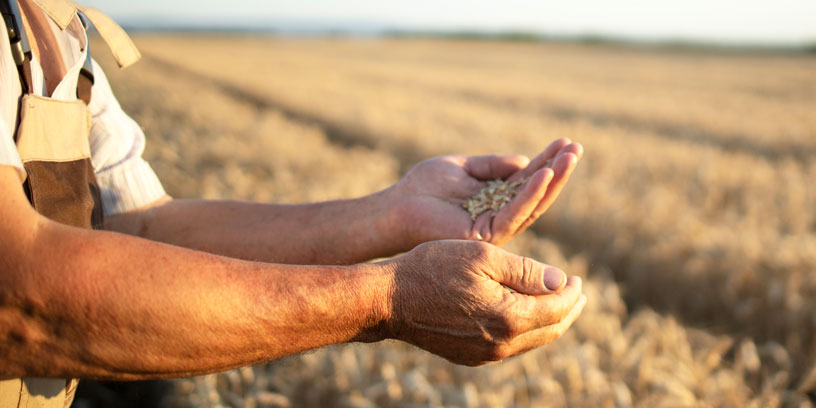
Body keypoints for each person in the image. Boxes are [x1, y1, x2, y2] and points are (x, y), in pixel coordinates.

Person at [0, 0, 586, 406]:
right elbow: (19, 293)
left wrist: (394, 211)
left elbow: (137, 226)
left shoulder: (55, 27)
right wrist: (387, 299)